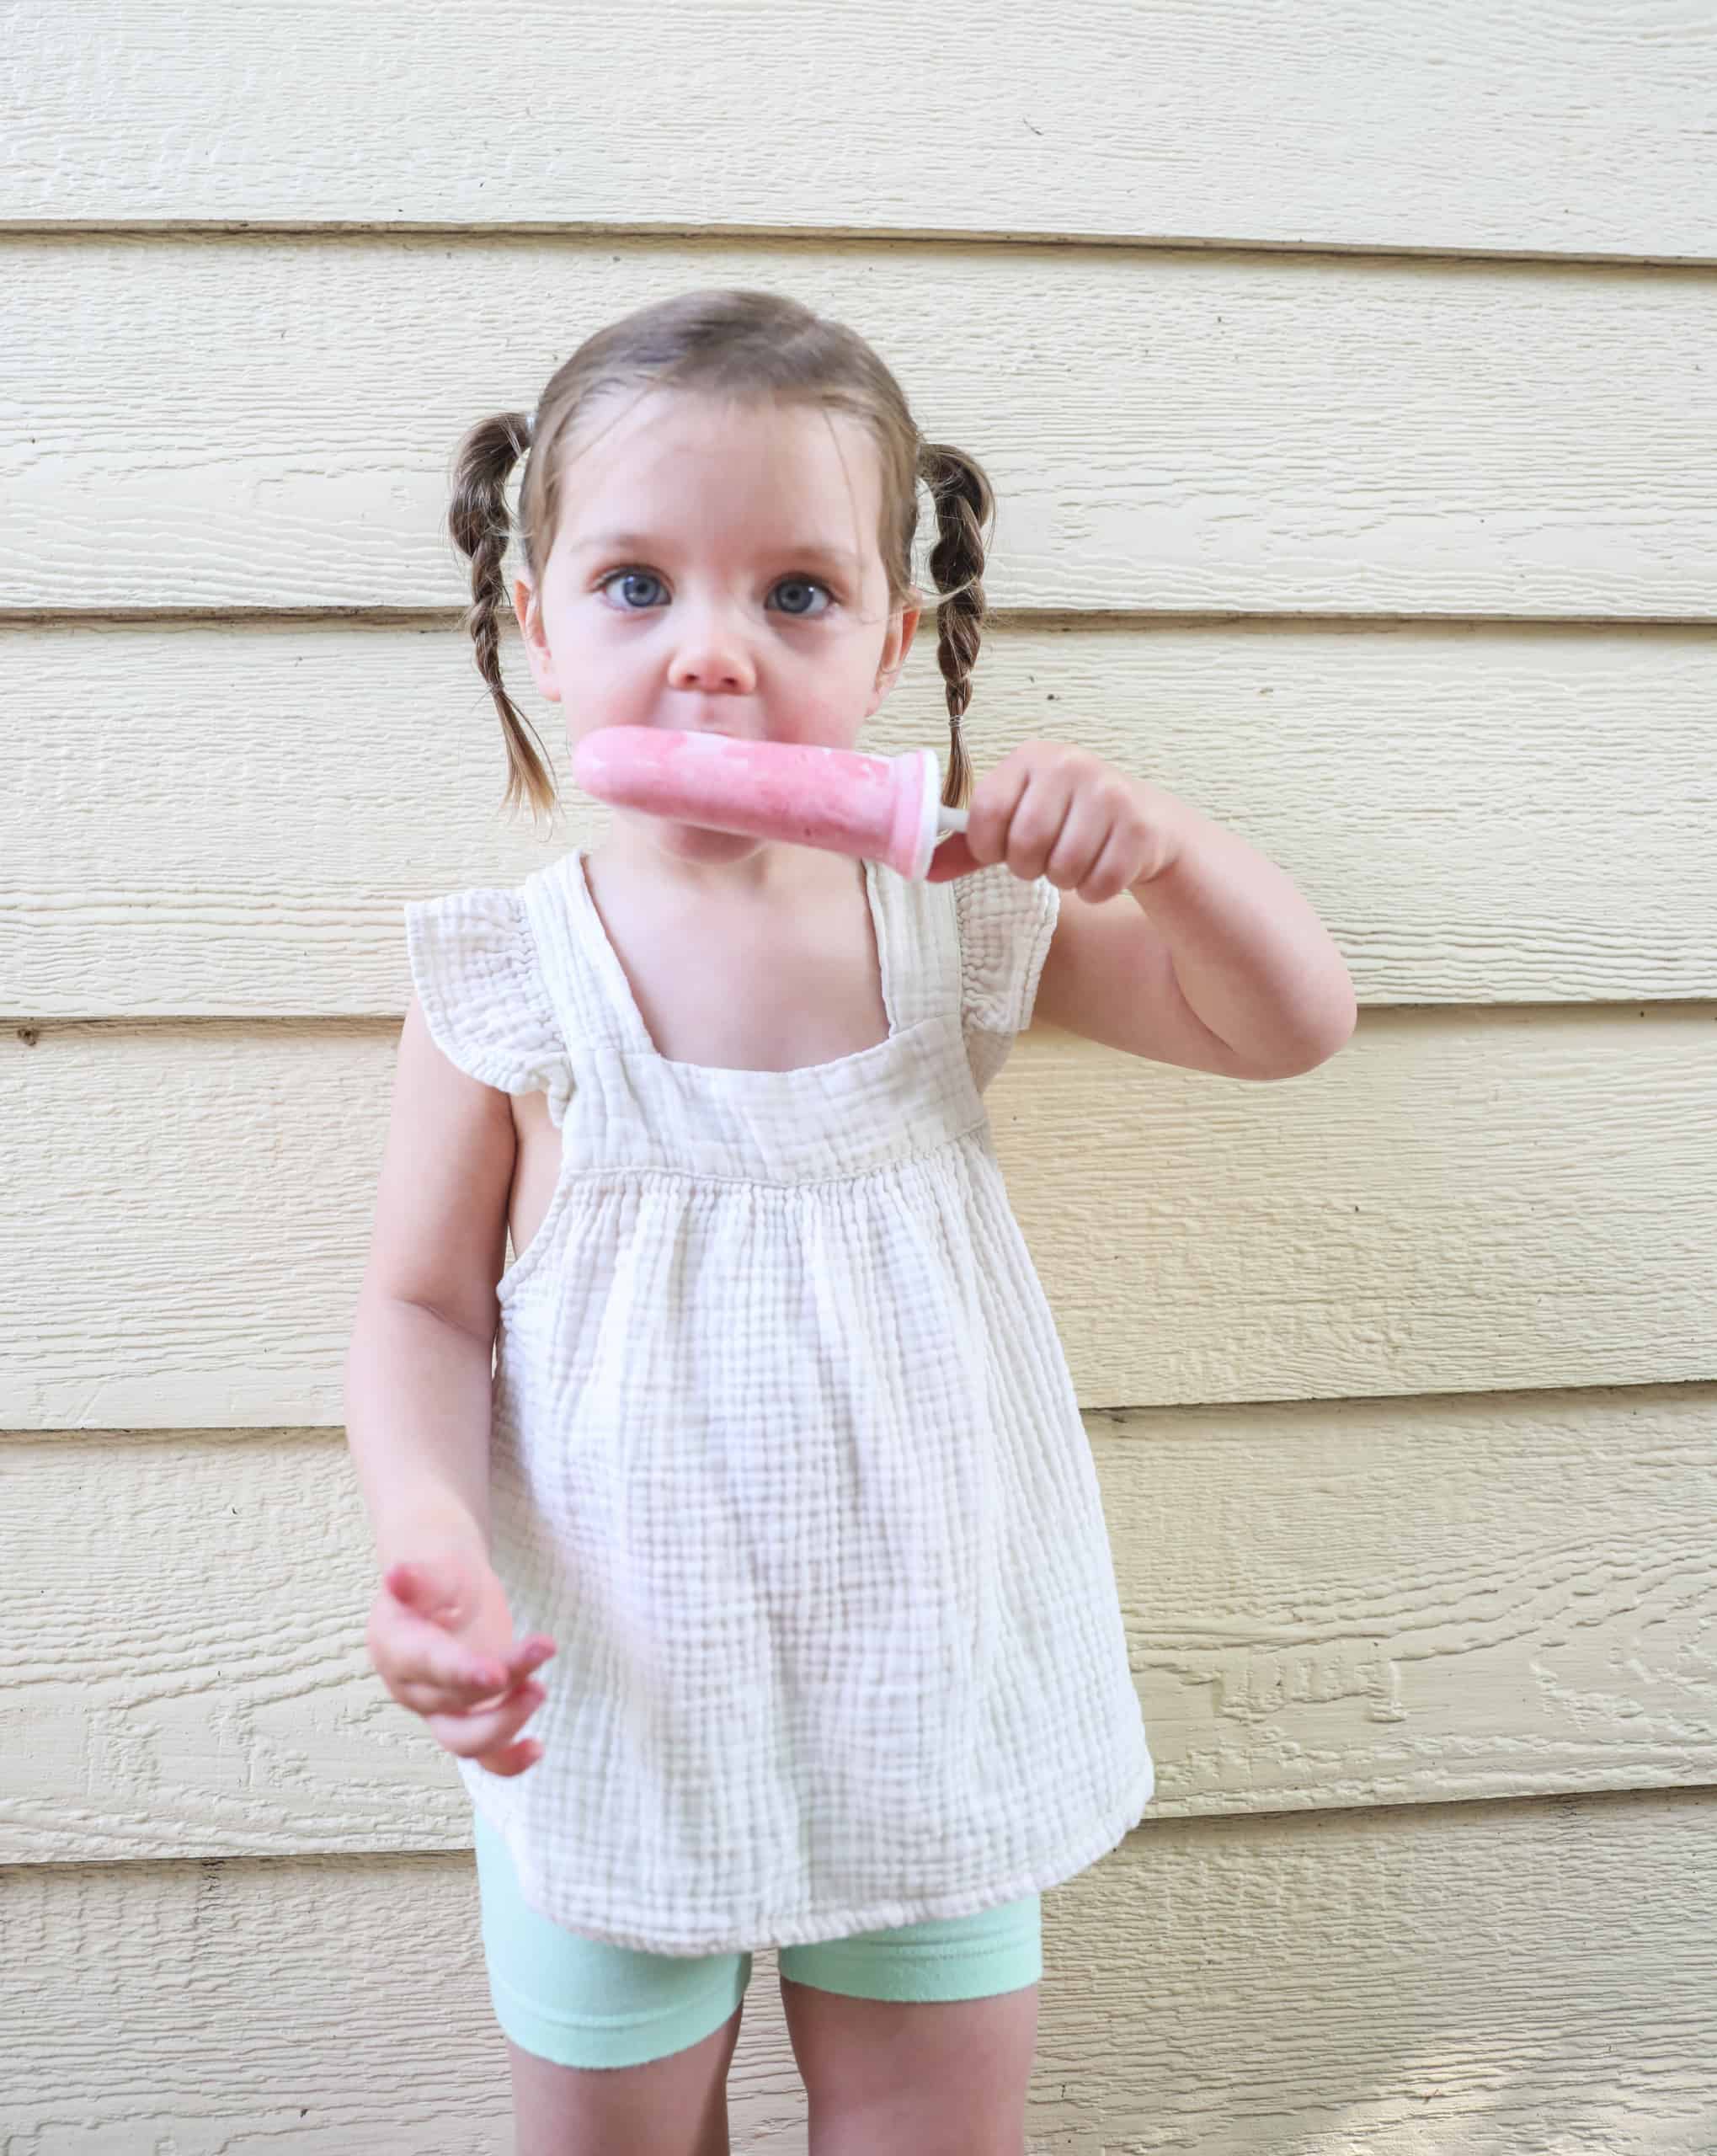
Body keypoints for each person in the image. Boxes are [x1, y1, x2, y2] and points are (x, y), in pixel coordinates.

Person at [342, 286, 1356, 2156]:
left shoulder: (954, 926)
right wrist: (425, 1529)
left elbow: (1289, 1026)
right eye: (637, 583)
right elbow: (422, 1305)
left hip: (930, 1685)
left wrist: (1172, 846)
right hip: (614, 1702)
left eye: (793, 593)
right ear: (535, 626)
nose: (710, 652)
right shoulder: (507, 974)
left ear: (891, 638)